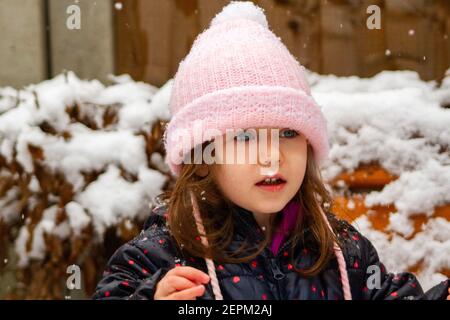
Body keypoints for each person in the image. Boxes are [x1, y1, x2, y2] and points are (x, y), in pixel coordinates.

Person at [92, 1, 450, 300]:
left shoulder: (342, 251)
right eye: (245, 137)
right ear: (202, 158)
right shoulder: (164, 255)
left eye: (289, 132)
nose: (271, 156)